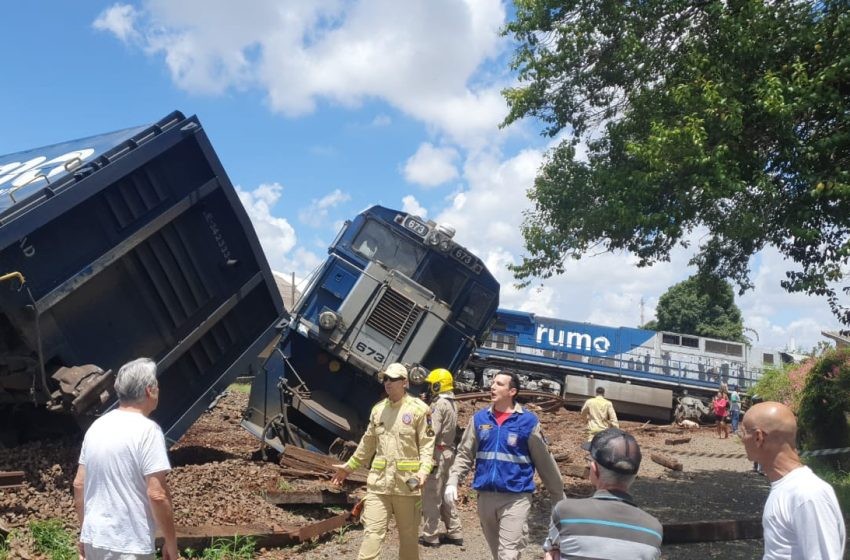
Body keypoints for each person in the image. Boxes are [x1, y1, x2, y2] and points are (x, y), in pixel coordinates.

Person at [444, 370, 564, 560]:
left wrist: (558, 495)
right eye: (493, 382)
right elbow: (465, 454)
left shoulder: (528, 421)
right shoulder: (479, 419)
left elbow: (544, 460)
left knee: (507, 554)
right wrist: (453, 480)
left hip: (516, 498)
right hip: (485, 498)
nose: (492, 386)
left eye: (499, 384)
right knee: (498, 554)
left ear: (512, 391)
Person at [72, 358, 178, 560]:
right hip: (129, 545)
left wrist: (85, 534)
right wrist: (171, 543)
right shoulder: (148, 431)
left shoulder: (97, 426)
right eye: (156, 385)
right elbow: (157, 494)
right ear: (149, 390)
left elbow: (79, 484)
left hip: (94, 538)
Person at [331, 362, 435, 560]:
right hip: (379, 485)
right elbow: (367, 444)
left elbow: (427, 446)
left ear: (405, 382)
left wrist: (423, 472)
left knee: (408, 539)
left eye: (393, 379)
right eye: (385, 378)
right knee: (372, 534)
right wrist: (348, 467)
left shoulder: (420, 410)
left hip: (407, 486)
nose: (388, 382)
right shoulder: (378, 410)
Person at [739, 401, 845, 559]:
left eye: (742, 432)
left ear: (758, 438)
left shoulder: (807, 494)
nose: (741, 439)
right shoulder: (788, 489)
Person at [542, 428, 662, 559]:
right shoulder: (653, 529)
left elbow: (551, 552)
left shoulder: (565, 512)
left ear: (594, 470)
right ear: (634, 476)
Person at [419, 368, 463, 547]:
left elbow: (432, 431)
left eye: (431, 384)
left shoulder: (438, 405)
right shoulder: (452, 402)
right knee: (446, 494)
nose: (429, 387)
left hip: (437, 454)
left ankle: (430, 536)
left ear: (438, 385)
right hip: (449, 452)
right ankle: (455, 531)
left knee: (431, 496)